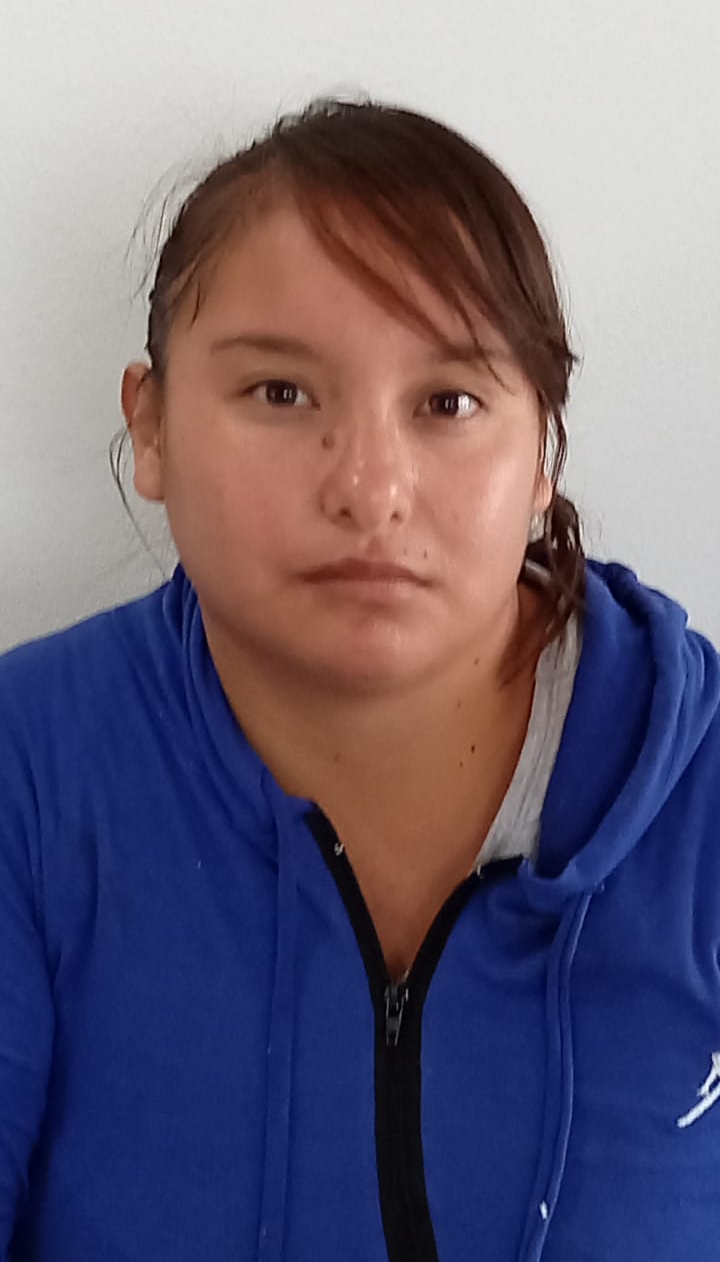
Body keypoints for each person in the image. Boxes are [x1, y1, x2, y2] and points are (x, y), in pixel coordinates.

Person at [1, 95, 718, 1262]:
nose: (371, 490)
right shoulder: (28, 772)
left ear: (542, 452)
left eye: (448, 403)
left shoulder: (700, 793)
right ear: (153, 426)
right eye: (281, 394)